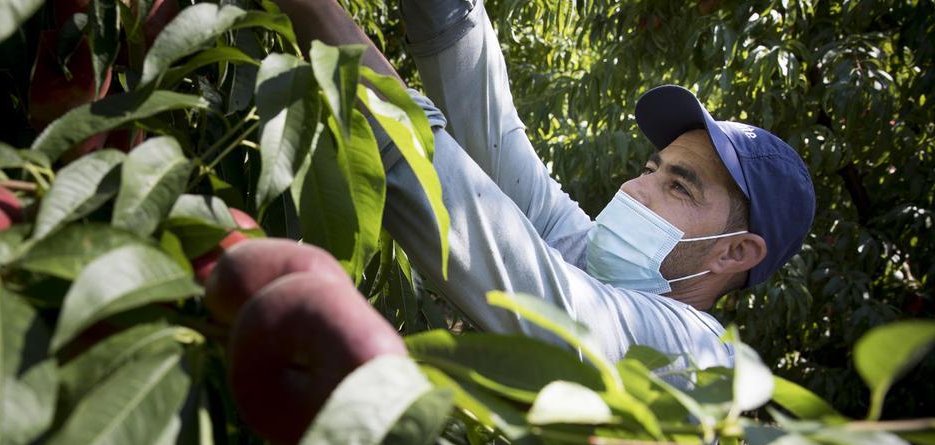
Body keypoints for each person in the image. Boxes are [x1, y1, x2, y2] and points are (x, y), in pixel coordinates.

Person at [273, 0, 816, 371]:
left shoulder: (691, 355)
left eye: (679, 187)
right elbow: (496, 140)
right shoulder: (595, 266)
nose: (634, 189)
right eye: (651, 168)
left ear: (735, 252)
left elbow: (477, 226)